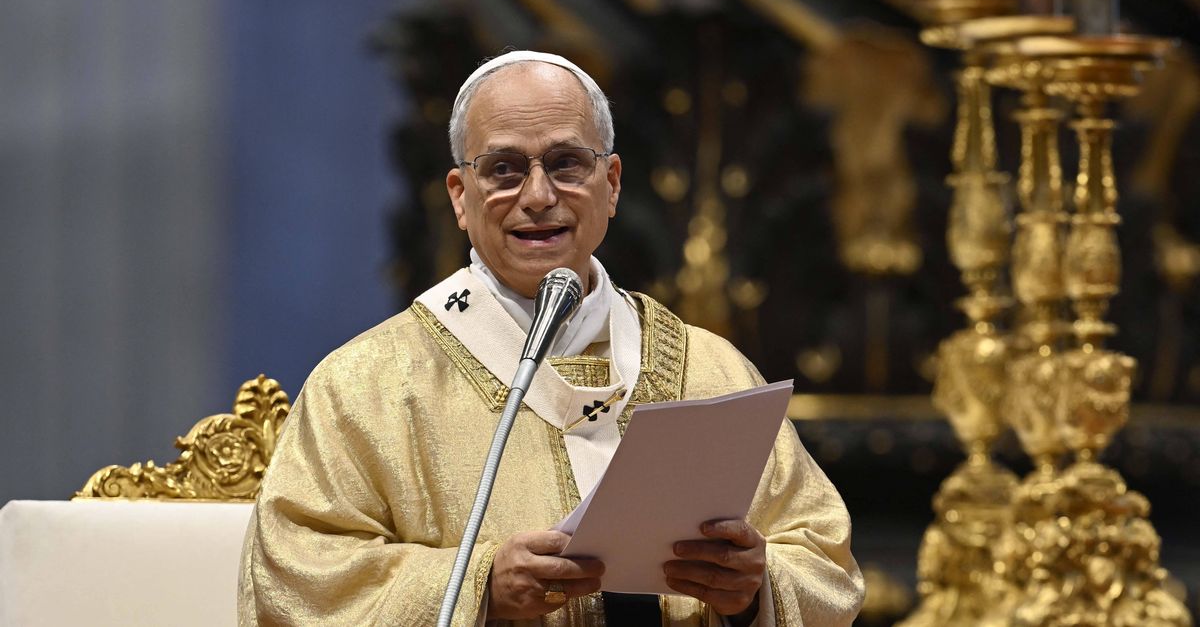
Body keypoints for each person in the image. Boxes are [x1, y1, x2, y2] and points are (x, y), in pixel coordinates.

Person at [240, 50, 864, 626]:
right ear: (460, 196)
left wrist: (754, 590)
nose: (537, 197)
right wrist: (479, 587)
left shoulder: (711, 369)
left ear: (612, 183)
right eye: (504, 170)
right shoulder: (368, 384)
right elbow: (293, 581)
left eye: (567, 163)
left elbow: (826, 566)